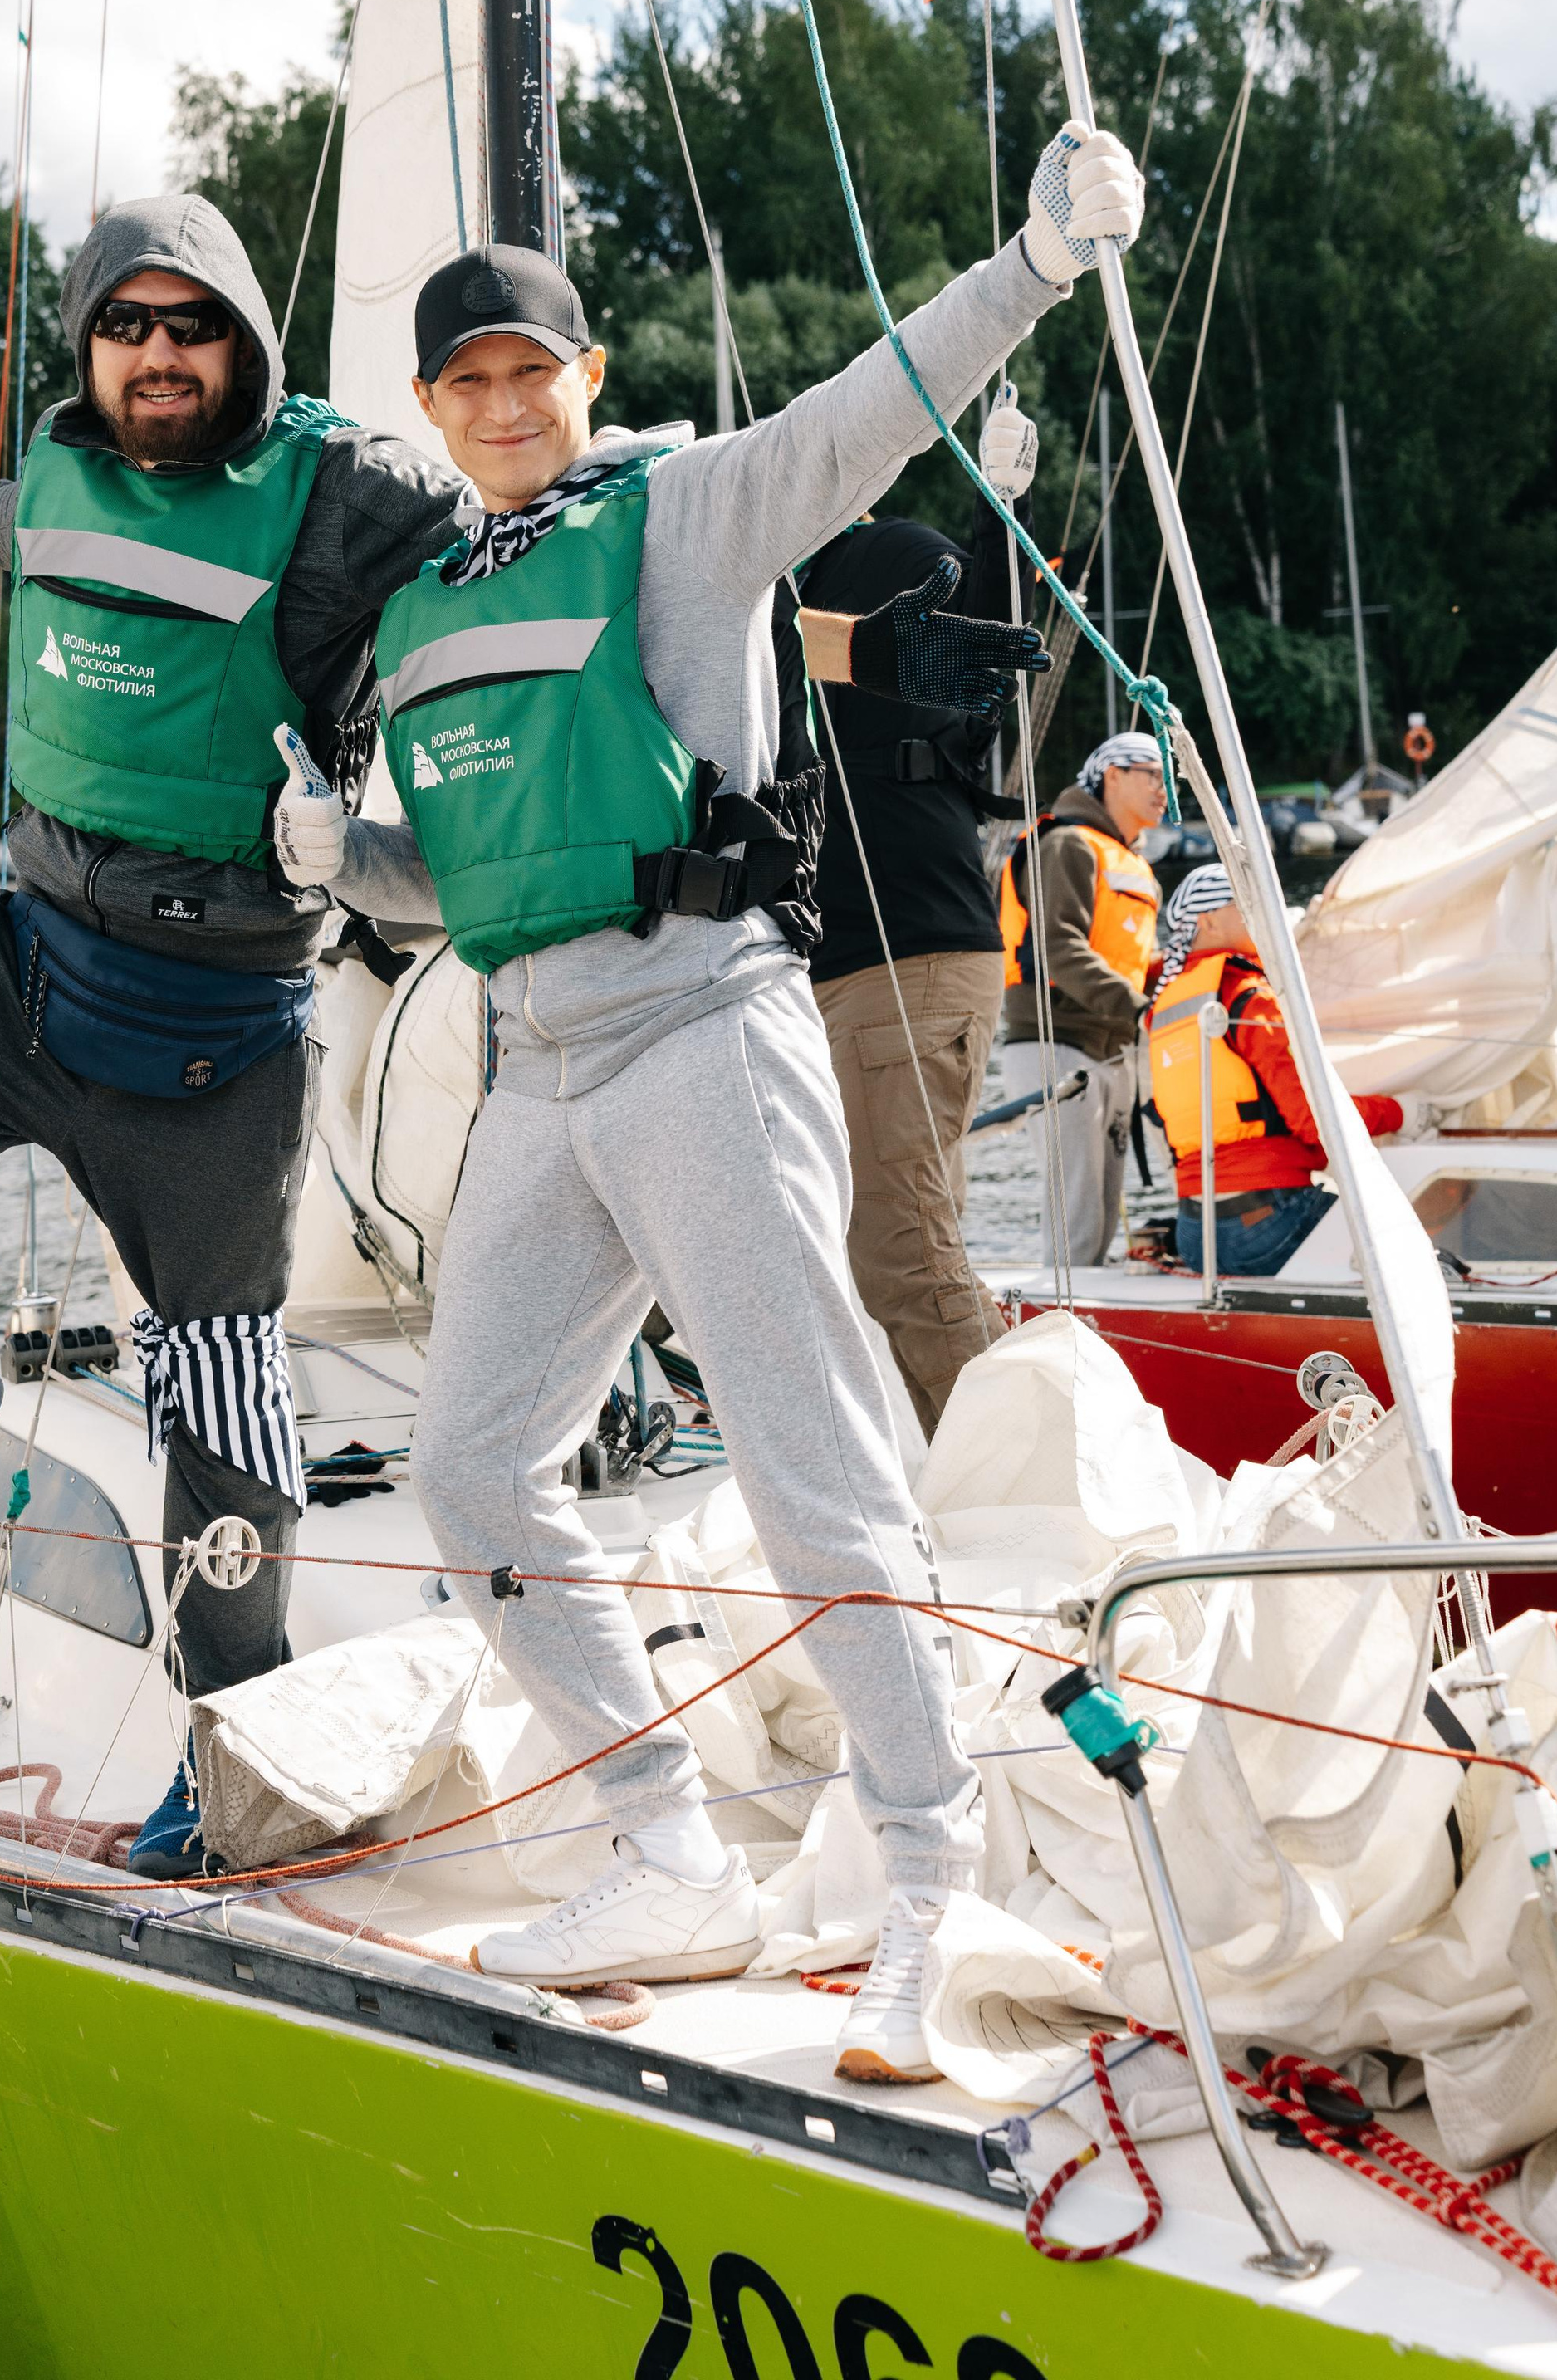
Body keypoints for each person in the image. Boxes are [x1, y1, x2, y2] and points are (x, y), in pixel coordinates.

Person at [280, 122, 1143, 2079]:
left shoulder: (683, 512)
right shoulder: (427, 605)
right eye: (465, 381)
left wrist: (1027, 265)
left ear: (583, 376)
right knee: (471, 1472)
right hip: (536, 1069)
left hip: (702, 1039)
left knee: (806, 1467)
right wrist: (340, 855)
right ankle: (664, 1847)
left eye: (531, 368)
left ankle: (928, 1877)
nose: (503, 403)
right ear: (430, 408)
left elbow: (869, 410)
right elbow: (472, 880)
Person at [0, 191, 469, 1877]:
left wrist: (619, 469)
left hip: (213, 1029)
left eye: (192, 325)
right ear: (84, 346)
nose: (158, 356)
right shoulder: (45, 480)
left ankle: (239, 1751)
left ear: (245, 341)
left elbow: (512, 509)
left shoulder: (345, 497)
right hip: (19, 970)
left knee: (226, 1415)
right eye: (125, 327)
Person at [795, 388, 1044, 1434]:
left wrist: (999, 509)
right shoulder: (764, 598)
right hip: (843, 969)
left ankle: (1012, 1476)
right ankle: (966, 1457)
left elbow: (987, 638)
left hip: (906, 957)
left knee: (899, 1246)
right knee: (888, 1235)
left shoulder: (886, 551)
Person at [1148, 863, 1403, 1277]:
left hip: (1195, 1235)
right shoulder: (1247, 995)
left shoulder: (1165, 1009)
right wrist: (1399, 1112)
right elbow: (1315, 1121)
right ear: (1208, 921)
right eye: (1246, 904)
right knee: (1410, 1225)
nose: (1264, 913)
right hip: (1268, 1224)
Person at [996, 731, 1167, 1271]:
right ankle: (1065, 1311)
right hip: (1057, 1043)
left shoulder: (1132, 864)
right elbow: (1059, 949)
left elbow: (1132, 960)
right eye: (1153, 774)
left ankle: (1089, 1306)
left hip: (1110, 1048)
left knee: (1100, 1210)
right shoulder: (1068, 845)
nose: (1164, 789)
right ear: (1112, 775)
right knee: (1078, 1213)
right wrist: (1141, 1008)